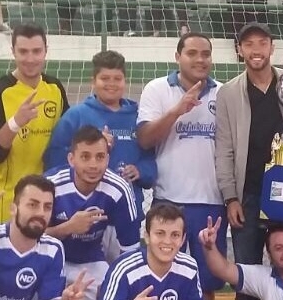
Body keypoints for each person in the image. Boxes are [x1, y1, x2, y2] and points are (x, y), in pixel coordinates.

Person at [215, 22, 283, 300]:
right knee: (246, 279)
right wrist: (230, 198)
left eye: (262, 43)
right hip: (248, 197)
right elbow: (224, 149)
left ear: (272, 47)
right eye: (248, 44)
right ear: (239, 50)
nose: (256, 50)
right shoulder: (227, 93)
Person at [135, 32, 225, 300]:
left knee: (207, 283)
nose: (200, 59)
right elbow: (144, 139)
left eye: (206, 54)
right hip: (168, 200)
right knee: (160, 275)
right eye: (192, 53)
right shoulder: (156, 88)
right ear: (177, 57)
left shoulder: (223, 92)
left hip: (211, 201)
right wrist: (177, 111)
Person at [43, 50, 156, 218]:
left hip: (125, 212)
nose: (111, 84)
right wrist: (91, 149)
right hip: (83, 212)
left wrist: (141, 170)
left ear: (125, 81)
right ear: (93, 82)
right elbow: (54, 159)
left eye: (117, 79)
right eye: (104, 79)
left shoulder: (138, 116)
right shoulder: (76, 116)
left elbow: (151, 158)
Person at [0, 23, 70, 224]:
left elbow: (68, 138)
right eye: (23, 52)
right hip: (6, 200)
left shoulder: (55, 88)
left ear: (46, 51)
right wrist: (15, 123)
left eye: (36, 51)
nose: (30, 59)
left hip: (45, 198)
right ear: (13, 52)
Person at [45, 125, 143, 299]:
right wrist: (68, 227)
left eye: (99, 157)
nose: (93, 165)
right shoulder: (49, 185)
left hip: (93, 261)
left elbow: (130, 252)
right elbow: (30, 238)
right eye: (85, 157)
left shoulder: (119, 189)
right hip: (51, 259)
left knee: (116, 289)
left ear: (107, 159)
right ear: (71, 159)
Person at [98, 203, 202, 300]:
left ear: (183, 239)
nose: (167, 241)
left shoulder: (189, 267)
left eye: (175, 235)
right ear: (147, 236)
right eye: (160, 233)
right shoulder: (123, 269)